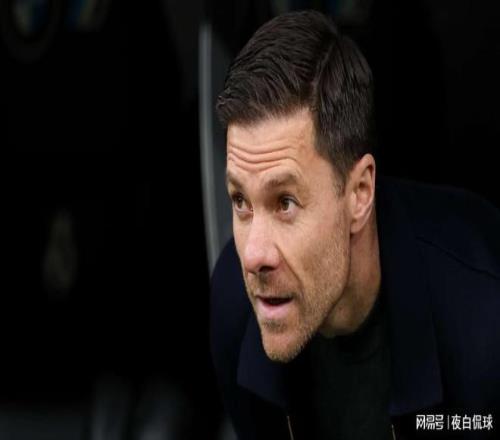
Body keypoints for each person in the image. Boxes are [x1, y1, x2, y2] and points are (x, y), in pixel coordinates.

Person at [210, 10, 500, 440]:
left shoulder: (482, 318)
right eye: (240, 201)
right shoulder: (235, 306)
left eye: (285, 202)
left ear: (360, 193)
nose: (252, 255)